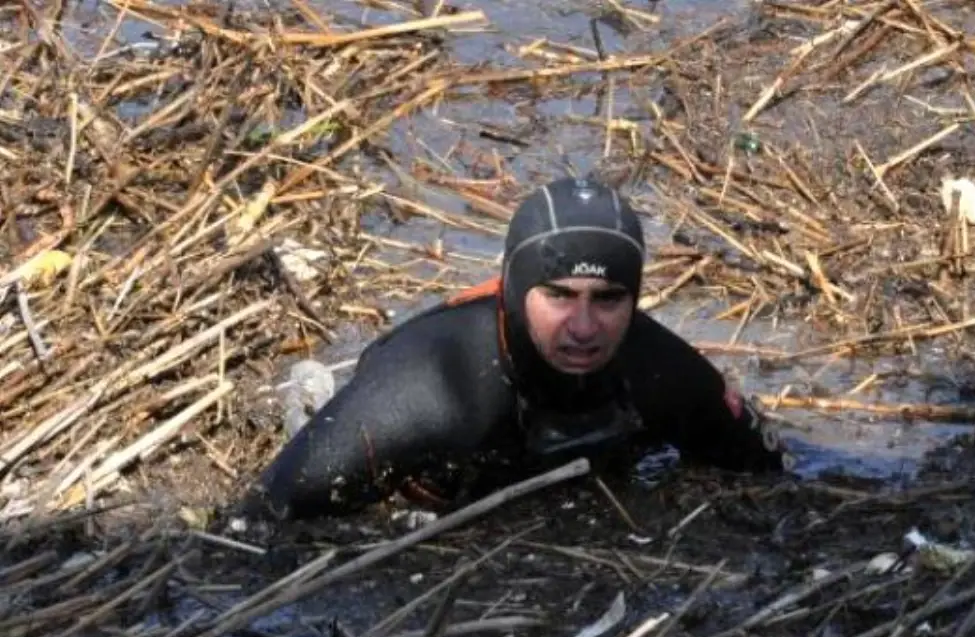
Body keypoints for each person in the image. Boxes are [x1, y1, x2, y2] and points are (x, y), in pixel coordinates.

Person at [248, 177, 787, 521]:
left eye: (607, 299)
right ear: (511, 288)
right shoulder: (427, 386)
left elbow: (764, 466)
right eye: (558, 296)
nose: (583, 327)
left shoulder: (657, 368)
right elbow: (267, 514)